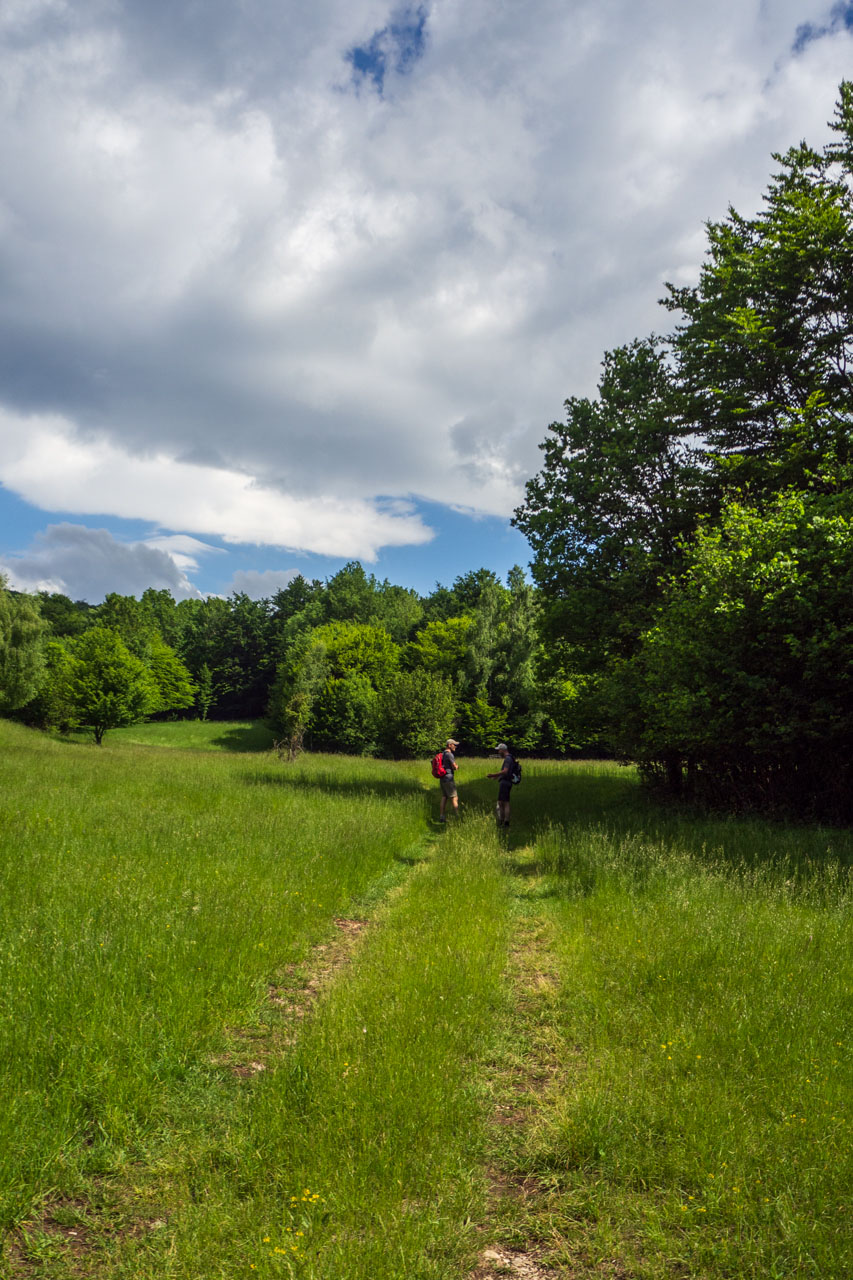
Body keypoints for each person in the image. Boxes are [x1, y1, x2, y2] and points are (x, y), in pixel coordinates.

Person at [487, 742, 515, 830]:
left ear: (503, 750)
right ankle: (504, 821)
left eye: (499, 750)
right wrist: (496, 777)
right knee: (503, 802)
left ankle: (504, 821)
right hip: (507, 782)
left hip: (505, 783)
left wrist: (493, 775)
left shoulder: (507, 759)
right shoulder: (510, 758)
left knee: (503, 802)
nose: (498, 752)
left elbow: (505, 771)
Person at [438, 738, 460, 823]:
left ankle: (442, 817)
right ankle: (458, 817)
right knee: (454, 797)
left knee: (444, 797)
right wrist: (457, 767)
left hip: (442, 778)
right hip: (449, 778)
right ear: (449, 745)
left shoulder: (442, 754)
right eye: (454, 745)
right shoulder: (449, 754)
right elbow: (454, 766)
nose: (455, 746)